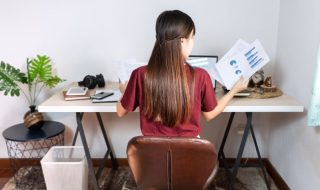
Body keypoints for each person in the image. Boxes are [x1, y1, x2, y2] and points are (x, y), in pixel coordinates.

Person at [117, 10, 248, 137]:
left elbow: (120, 112)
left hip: (152, 156)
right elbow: (210, 114)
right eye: (192, 37)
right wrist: (234, 90)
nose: (192, 42)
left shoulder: (140, 74)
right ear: (182, 41)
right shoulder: (200, 75)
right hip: (189, 155)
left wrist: (124, 92)